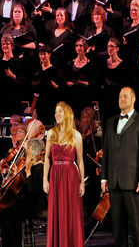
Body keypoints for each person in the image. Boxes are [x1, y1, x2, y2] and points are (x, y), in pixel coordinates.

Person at [101, 87, 139, 247]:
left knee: (137, 227)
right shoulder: (110, 122)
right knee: (118, 229)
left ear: (133, 99)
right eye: (120, 96)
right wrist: (104, 177)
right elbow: (107, 152)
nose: (122, 99)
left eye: (125, 96)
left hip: (134, 183)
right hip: (115, 183)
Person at [43, 101, 85, 246]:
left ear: (67, 114)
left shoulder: (76, 135)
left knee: (71, 213)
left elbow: (80, 161)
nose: (57, 114)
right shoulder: (50, 133)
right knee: (57, 212)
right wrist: (45, 180)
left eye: (60, 111)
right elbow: (47, 159)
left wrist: (81, 183)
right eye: (56, 111)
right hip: (55, 175)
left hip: (71, 176)